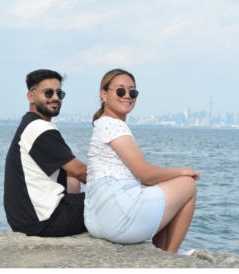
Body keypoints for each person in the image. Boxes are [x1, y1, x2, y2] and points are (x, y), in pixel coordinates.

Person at [84, 69, 198, 253]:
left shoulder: (103, 124)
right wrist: (181, 171)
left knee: (161, 189)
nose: (127, 96)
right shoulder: (114, 124)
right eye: (120, 91)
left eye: (133, 92)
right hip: (117, 216)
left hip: (97, 220)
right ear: (103, 94)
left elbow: (145, 179)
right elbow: (144, 173)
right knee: (188, 185)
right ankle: (171, 257)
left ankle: (161, 253)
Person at [3, 69, 89, 237]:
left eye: (59, 93)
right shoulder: (39, 128)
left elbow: (73, 174)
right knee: (114, 200)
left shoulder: (28, 124)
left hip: (27, 222)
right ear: (31, 97)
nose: (55, 98)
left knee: (69, 177)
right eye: (48, 92)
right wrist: (118, 184)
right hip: (47, 222)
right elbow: (80, 171)